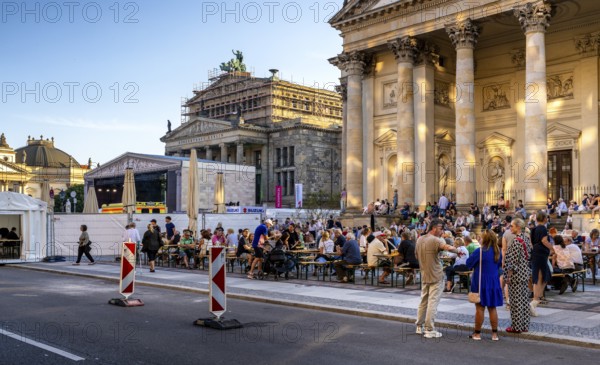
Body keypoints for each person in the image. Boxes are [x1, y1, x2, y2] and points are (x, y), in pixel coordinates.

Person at [415, 218, 460, 338]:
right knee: (432, 302)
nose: (442, 231)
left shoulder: (419, 239)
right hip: (436, 275)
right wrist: (458, 250)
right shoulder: (435, 240)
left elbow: (416, 255)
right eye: (441, 229)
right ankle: (429, 329)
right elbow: (448, 247)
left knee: (423, 300)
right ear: (434, 228)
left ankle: (419, 326)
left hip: (424, 273)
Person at [466, 230, 503, 341]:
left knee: (480, 308)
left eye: (481, 237)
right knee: (492, 308)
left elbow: (468, 264)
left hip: (480, 282)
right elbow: (498, 266)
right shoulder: (498, 251)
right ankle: (495, 334)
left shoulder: (480, 251)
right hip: (494, 282)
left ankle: (477, 334)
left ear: (484, 239)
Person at [504, 218, 532, 333]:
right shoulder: (525, 238)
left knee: (516, 302)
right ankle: (524, 325)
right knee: (524, 300)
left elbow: (513, 263)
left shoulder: (516, 241)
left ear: (518, 227)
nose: (510, 228)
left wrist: (509, 276)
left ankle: (516, 327)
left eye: (512, 226)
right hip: (525, 273)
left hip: (516, 275)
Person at [530, 211, 553, 312]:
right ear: (544, 219)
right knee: (544, 276)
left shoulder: (534, 229)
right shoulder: (543, 228)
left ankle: (535, 300)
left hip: (535, 252)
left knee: (538, 276)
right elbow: (544, 241)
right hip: (541, 253)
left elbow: (531, 242)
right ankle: (535, 300)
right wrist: (552, 248)